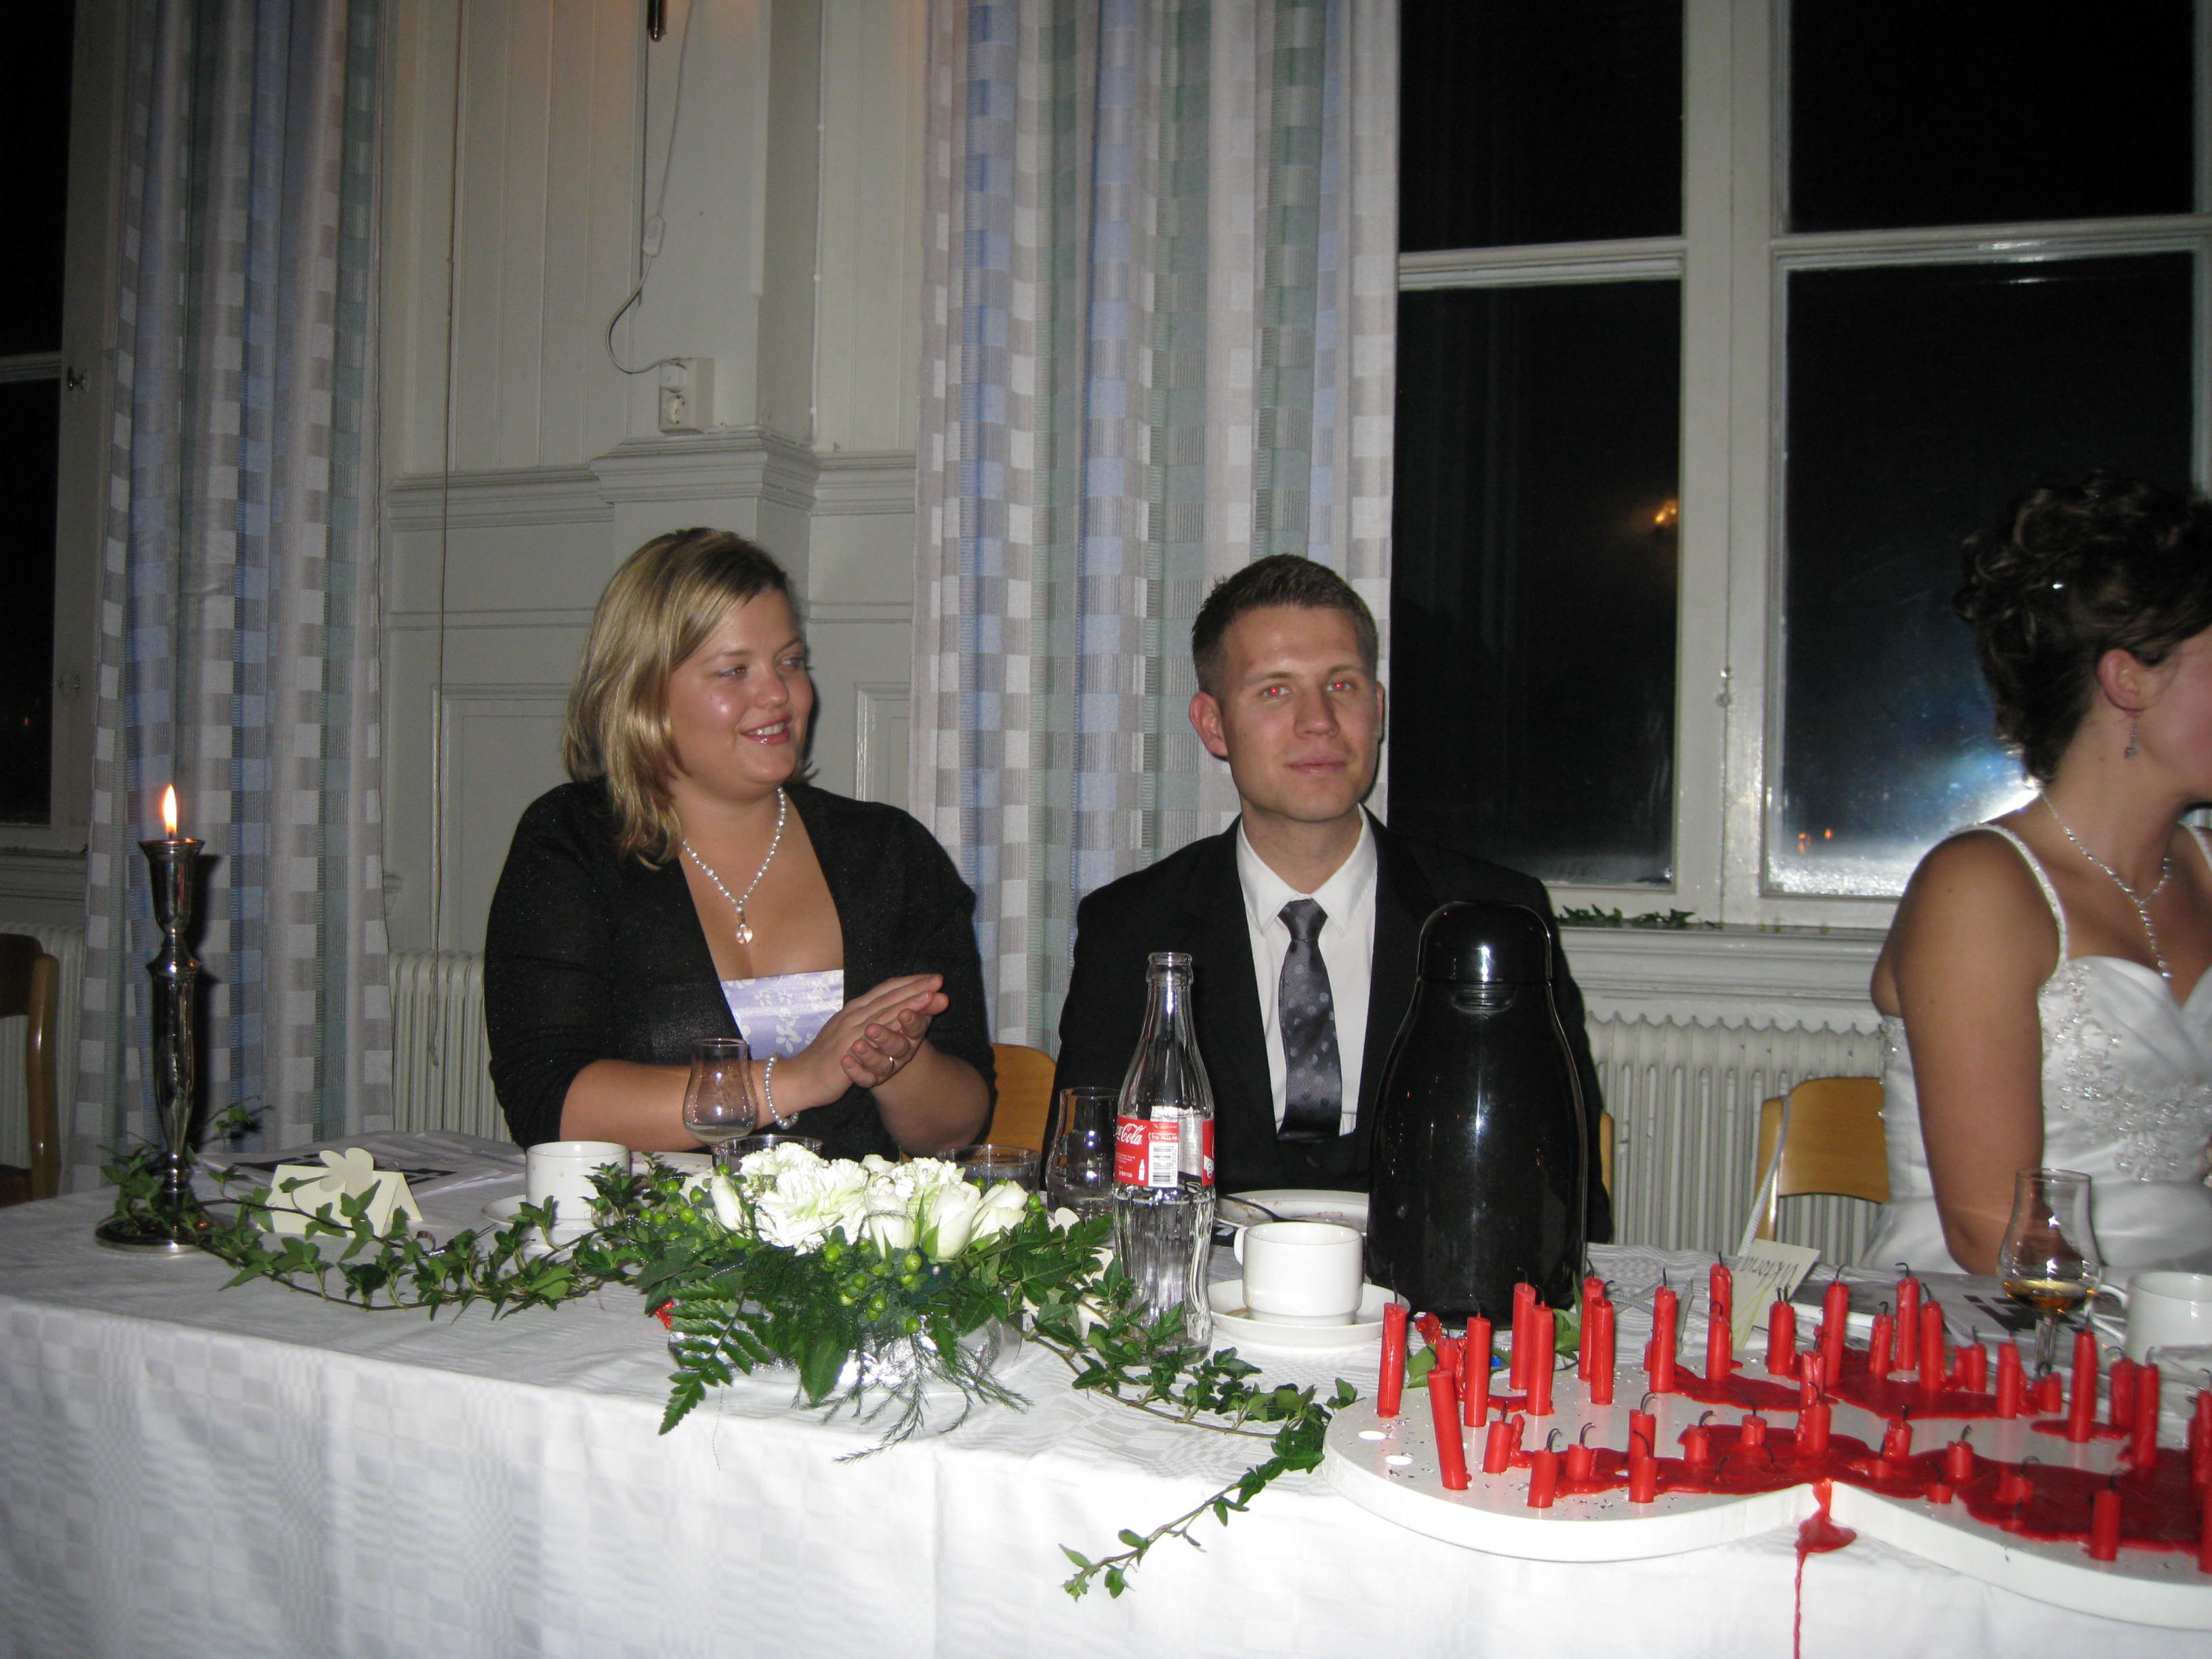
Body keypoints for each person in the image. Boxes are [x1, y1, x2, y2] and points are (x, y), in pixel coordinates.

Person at [1052, 555, 1611, 1238]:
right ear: (1214, 724)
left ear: (1377, 710)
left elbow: (1561, 1184)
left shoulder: (1496, 920)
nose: (1318, 721)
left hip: (1426, 1284)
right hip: (1207, 1282)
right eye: (1275, 691)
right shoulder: (1131, 926)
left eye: (1341, 685)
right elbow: (1089, 1186)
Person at [485, 529, 993, 1160]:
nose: (779, 694)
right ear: (642, 694)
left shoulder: (891, 852)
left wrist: (891, 1061)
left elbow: (956, 1131)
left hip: (859, 1224)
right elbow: (549, 1106)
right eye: (734, 671)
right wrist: (795, 1080)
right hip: (646, 1224)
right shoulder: (572, 840)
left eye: (791, 662)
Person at [1868, 471, 2212, 1276]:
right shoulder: (1980, 888)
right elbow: (1990, 1230)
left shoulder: (2205, 870)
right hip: (2006, 1321)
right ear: (2129, 679)